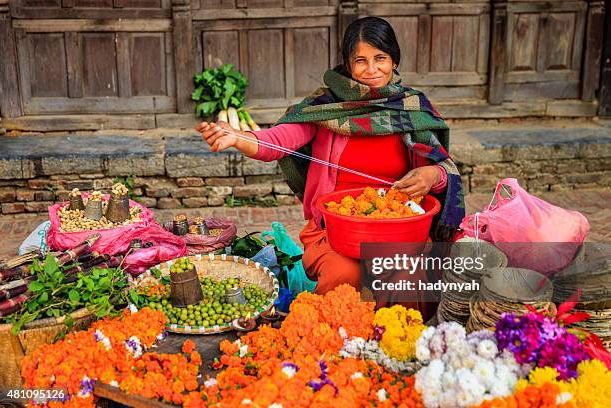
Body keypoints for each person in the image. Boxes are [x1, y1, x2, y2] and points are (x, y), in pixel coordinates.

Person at [197, 17, 465, 320]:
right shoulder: (325, 107)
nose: (372, 69)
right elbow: (276, 142)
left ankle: (396, 350)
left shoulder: (411, 108)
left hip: (398, 227)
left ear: (393, 60)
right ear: (348, 64)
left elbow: (443, 168)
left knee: (408, 276)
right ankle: (335, 349)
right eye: (360, 61)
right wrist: (236, 138)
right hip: (335, 231)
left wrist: (432, 176)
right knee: (345, 273)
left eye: (380, 58)